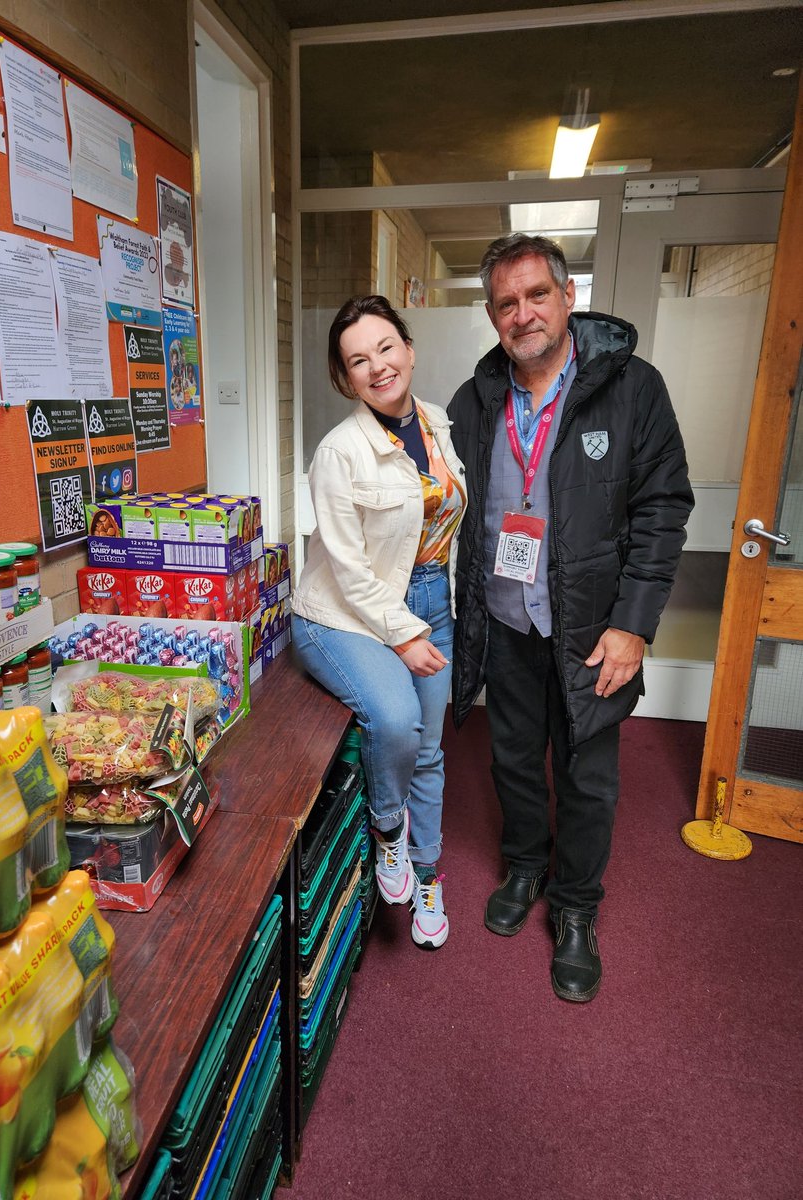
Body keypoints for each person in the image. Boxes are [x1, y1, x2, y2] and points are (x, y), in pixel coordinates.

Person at [449, 234, 693, 1001]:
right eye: (506, 303)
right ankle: (526, 867)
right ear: (493, 316)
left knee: (589, 778)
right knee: (515, 761)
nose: (523, 314)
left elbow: (663, 508)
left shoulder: (631, 388)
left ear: (567, 296)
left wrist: (634, 624)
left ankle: (578, 909)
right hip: (507, 620)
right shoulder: (475, 399)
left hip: (595, 631)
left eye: (536, 296)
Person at [292, 295, 467, 950]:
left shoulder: (438, 423)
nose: (377, 366)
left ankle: (428, 875)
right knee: (396, 722)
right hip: (340, 613)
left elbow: (443, 520)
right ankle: (386, 830)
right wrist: (405, 632)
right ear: (346, 378)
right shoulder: (339, 452)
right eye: (357, 360)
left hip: (429, 599)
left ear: (410, 350)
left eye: (386, 347)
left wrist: (430, 619)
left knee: (429, 752)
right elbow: (348, 567)